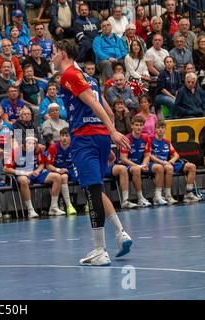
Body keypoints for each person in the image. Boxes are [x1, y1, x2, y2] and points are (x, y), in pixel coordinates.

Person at [53, 39, 133, 266]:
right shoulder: (89, 78)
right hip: (99, 138)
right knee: (96, 187)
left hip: (85, 137)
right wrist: (107, 138)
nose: (52, 56)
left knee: (91, 190)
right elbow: (106, 106)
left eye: (54, 52)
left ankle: (100, 249)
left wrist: (114, 132)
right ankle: (120, 232)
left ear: (63, 54)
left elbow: (96, 105)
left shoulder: (69, 75)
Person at [150, 120, 202, 204]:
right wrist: (163, 162)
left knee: (192, 166)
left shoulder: (167, 142)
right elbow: (149, 155)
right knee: (169, 168)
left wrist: (170, 161)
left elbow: (176, 155)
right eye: (158, 128)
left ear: (165, 129)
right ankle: (167, 195)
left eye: (162, 128)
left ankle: (188, 194)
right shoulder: (150, 140)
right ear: (155, 129)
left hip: (167, 163)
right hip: (156, 164)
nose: (160, 130)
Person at [119, 116, 167, 206]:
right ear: (132, 126)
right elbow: (123, 158)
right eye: (136, 125)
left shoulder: (146, 138)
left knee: (159, 167)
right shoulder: (126, 139)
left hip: (141, 163)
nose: (139, 127)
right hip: (129, 164)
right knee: (136, 169)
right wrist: (138, 166)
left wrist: (144, 164)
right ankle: (140, 198)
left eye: (141, 125)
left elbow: (147, 155)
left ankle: (157, 197)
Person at [45, 127, 78, 215]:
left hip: (72, 169)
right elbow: (48, 165)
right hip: (59, 170)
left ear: (70, 137)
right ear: (59, 137)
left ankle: (87, 203)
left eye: (67, 136)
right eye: (62, 136)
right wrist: (58, 170)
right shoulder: (53, 147)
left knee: (84, 176)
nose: (64, 138)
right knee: (64, 177)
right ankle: (69, 206)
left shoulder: (75, 146)